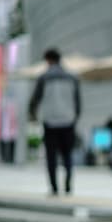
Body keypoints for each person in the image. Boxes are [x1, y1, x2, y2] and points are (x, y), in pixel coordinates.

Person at [29, 48, 81, 196]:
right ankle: (68, 185)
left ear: (48, 60)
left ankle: (54, 188)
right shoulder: (72, 77)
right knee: (67, 155)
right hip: (68, 121)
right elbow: (77, 101)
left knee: (51, 156)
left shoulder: (44, 78)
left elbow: (35, 99)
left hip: (50, 121)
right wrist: (75, 116)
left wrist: (33, 114)